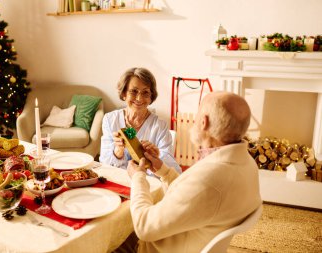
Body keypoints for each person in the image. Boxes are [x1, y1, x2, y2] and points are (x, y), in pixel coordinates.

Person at [125, 91, 262, 253]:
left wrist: (138, 178)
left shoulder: (209, 179)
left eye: (197, 114)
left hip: (155, 248)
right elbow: (191, 195)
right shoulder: (247, 164)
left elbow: (144, 227)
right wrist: (163, 171)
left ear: (203, 122)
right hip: (193, 233)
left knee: (111, 229)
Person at [99, 67, 181, 174]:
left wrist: (155, 158)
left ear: (151, 97)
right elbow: (104, 164)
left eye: (145, 92)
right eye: (133, 91)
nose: (139, 98)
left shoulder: (160, 126)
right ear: (124, 93)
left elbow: (173, 170)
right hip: (119, 182)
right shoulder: (110, 120)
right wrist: (118, 153)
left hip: (147, 184)